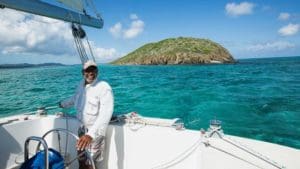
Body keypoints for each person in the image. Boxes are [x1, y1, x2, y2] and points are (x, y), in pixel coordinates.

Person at [59, 60, 114, 169]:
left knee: (91, 164)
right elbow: (75, 98)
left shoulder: (103, 87)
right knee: (81, 159)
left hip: (95, 133)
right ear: (83, 72)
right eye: (88, 70)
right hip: (81, 131)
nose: (91, 73)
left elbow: (106, 112)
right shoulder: (80, 84)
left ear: (97, 71)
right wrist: (62, 104)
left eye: (93, 70)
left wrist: (90, 135)